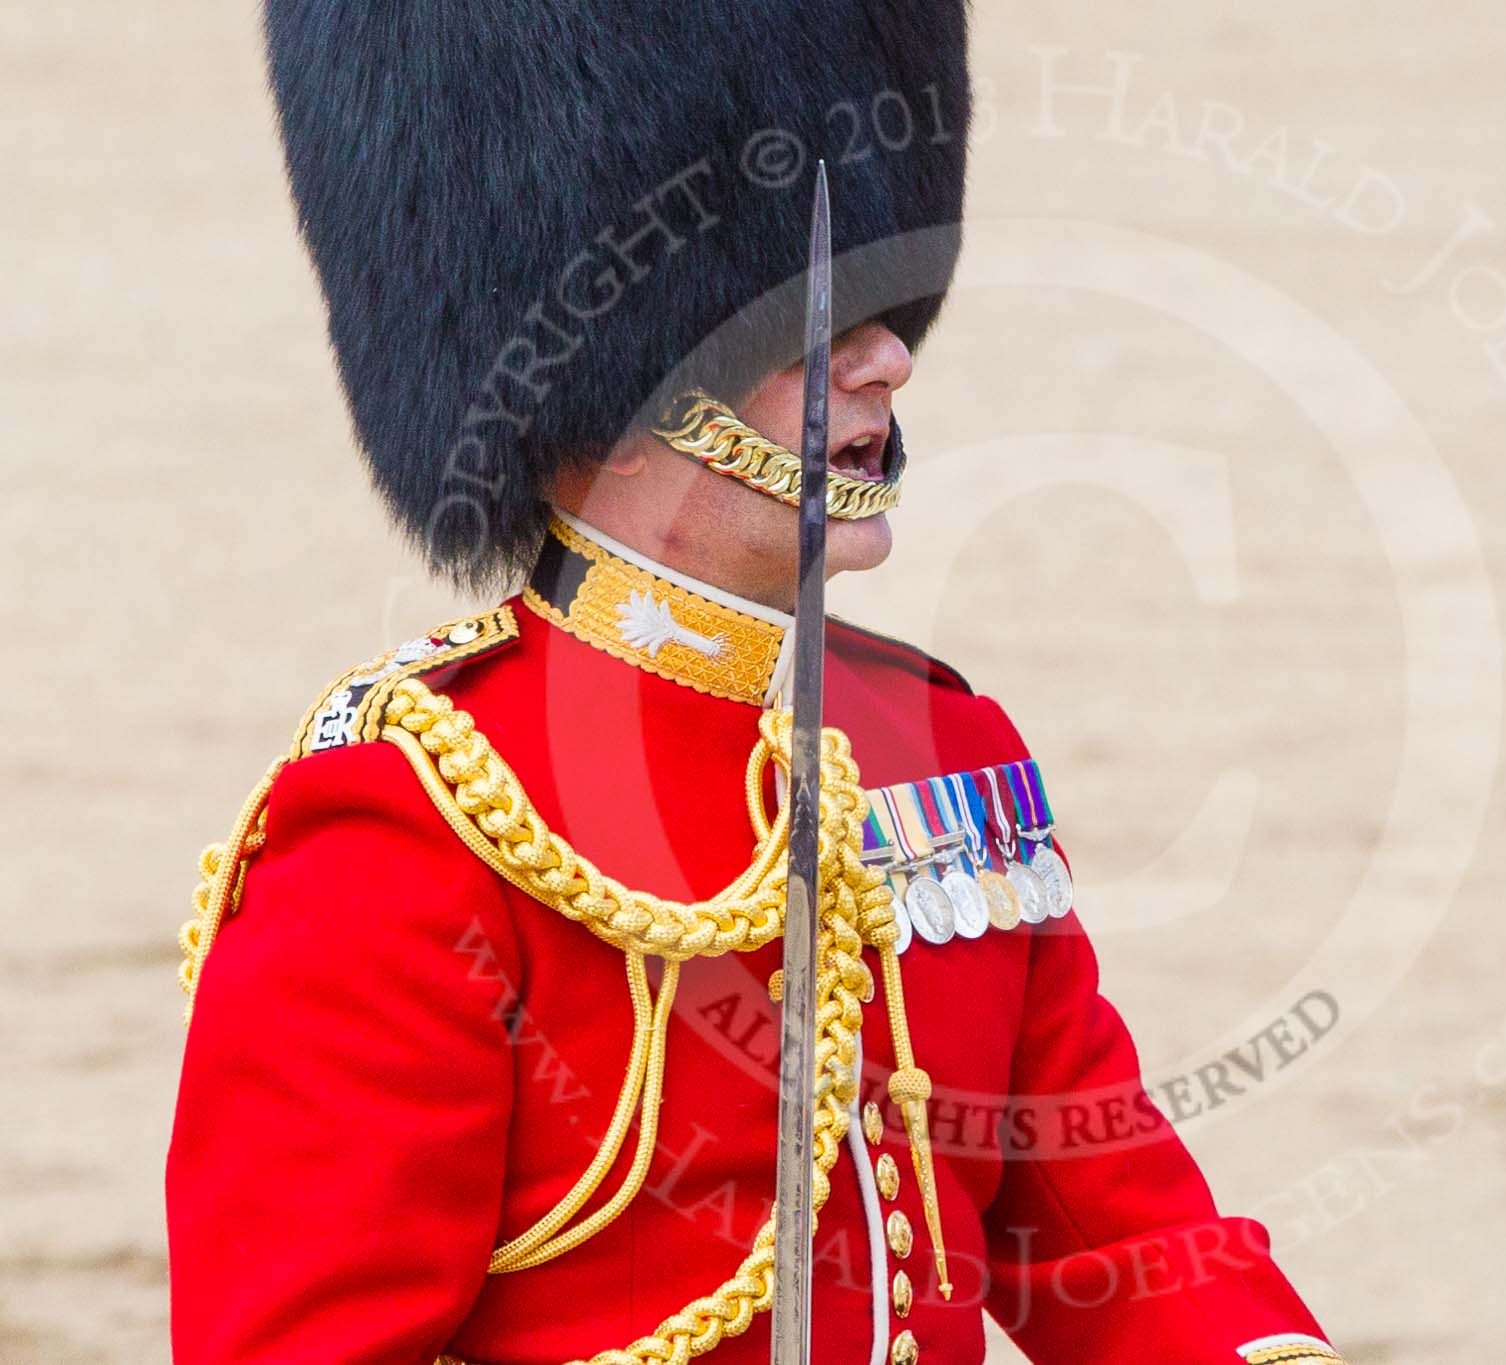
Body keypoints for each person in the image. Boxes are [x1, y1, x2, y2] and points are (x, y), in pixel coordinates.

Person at [167, 3, 1344, 1362]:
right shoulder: (406, 832)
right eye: (803, 325)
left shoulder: (941, 753)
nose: (889, 354)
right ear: (613, 383)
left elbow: (1122, 1243)